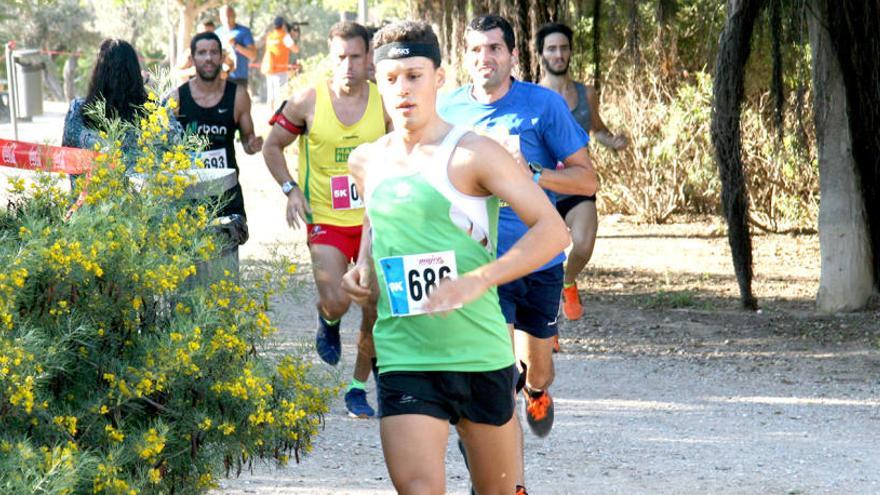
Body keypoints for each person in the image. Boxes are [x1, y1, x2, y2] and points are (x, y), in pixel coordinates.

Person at [341, 20, 570, 495]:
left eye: (415, 75)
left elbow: (553, 231)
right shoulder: (365, 161)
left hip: (480, 355)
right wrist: (362, 267)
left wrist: (481, 279)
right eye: (391, 78)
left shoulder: (474, 154)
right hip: (405, 354)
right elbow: (377, 222)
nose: (402, 89)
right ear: (376, 84)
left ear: (439, 78)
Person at [438, 13, 597, 492]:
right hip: (482, 266)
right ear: (463, 57)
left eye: (493, 49)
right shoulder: (447, 112)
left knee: (536, 368)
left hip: (540, 260)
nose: (484, 58)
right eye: (474, 50)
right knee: (494, 382)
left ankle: (540, 390)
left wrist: (530, 173)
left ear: (511, 55)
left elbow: (586, 180)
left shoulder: (542, 106)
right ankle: (508, 483)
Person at [261, 21, 390, 418]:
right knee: (337, 300)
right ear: (329, 59)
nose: (348, 65)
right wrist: (290, 190)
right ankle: (328, 319)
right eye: (341, 57)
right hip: (326, 221)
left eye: (356, 56)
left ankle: (357, 387)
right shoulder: (306, 101)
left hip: (373, 219)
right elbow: (272, 147)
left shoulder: (385, 101)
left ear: (368, 57)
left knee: (372, 305)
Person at [537, 22, 629, 322]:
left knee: (584, 245)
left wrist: (611, 141)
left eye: (563, 48)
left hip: (578, 186)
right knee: (542, 257)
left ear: (570, 52)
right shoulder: (532, 96)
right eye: (551, 48)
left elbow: (597, 129)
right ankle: (544, 324)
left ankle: (568, 282)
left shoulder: (586, 93)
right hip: (543, 189)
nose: (558, 54)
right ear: (541, 55)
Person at [170, 31, 262, 222]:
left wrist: (252, 144)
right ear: (193, 59)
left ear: (221, 57)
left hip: (226, 193)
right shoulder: (177, 98)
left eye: (213, 52)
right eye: (202, 53)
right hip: (188, 193)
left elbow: (247, 141)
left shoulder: (238, 96)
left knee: (227, 251)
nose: (208, 58)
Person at [62, 39, 147, 186]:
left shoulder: (77, 110)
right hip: (141, 206)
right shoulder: (151, 112)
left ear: (98, 72)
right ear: (134, 73)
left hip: (88, 202)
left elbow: (67, 155)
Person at [261, 15, 297, 111]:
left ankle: (270, 117)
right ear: (283, 25)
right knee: (280, 96)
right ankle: (278, 119)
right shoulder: (285, 37)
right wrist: (293, 37)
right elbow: (296, 49)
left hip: (269, 69)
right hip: (280, 71)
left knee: (271, 96)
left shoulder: (270, 36)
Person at [216, 4, 257, 88]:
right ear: (220, 18)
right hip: (221, 77)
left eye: (230, 16)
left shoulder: (243, 32)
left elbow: (253, 55)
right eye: (224, 16)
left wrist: (235, 45)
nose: (227, 19)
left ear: (234, 16)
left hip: (239, 78)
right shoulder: (217, 33)